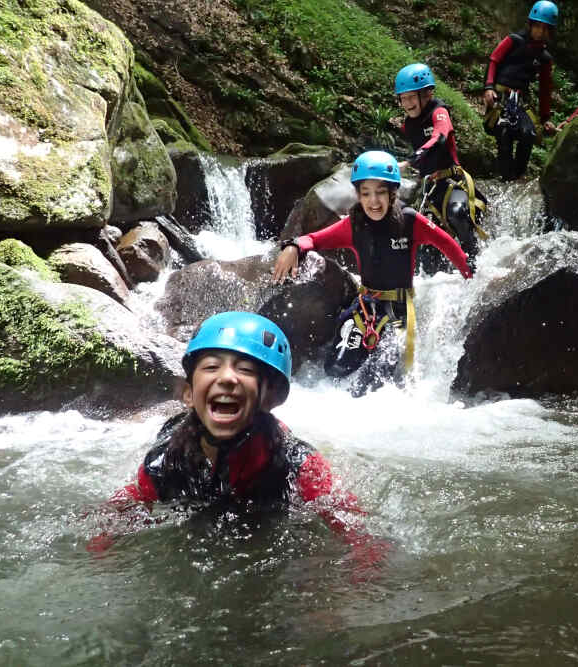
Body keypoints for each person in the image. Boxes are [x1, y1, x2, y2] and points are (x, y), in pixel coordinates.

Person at [88, 311, 382, 566]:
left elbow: (359, 533)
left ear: (271, 397)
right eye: (211, 367)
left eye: (245, 369)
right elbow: (114, 516)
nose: (228, 378)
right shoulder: (165, 462)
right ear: (189, 394)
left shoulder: (296, 463)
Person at [272, 150, 472, 396]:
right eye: (366, 193)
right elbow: (314, 239)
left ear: (392, 193)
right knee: (336, 368)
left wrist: (468, 273)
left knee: (376, 382)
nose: (373, 201)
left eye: (380, 192)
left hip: (399, 310)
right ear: (357, 195)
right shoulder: (353, 224)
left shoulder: (409, 221)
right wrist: (293, 246)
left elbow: (447, 244)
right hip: (366, 308)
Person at [394, 62, 488, 265]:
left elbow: (440, 135)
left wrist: (412, 159)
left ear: (426, 94)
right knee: (422, 243)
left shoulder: (439, 111)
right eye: (403, 98)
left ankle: (474, 263)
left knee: (457, 213)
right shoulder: (408, 125)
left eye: (411, 97)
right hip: (432, 188)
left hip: (453, 181)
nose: (407, 103)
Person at [483, 0, 559, 181]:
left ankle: (517, 177)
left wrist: (546, 117)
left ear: (550, 31)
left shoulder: (544, 58)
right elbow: (494, 60)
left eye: (545, 28)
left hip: (519, 101)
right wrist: (488, 87)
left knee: (529, 133)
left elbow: (545, 89)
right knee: (504, 131)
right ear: (531, 24)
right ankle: (505, 177)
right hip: (501, 95)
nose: (540, 32)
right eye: (537, 26)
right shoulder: (514, 40)